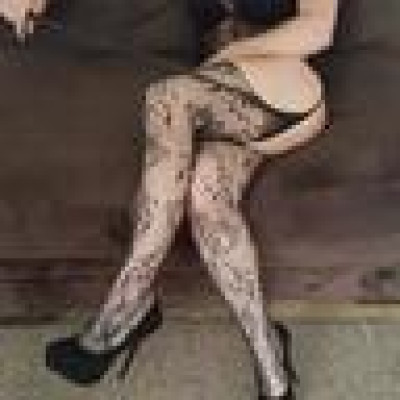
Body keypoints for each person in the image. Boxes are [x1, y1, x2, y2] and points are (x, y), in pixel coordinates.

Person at [45, 0, 338, 398]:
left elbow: (318, 29)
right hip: (219, 102)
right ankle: (271, 361)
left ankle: (123, 309)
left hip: (282, 89)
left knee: (166, 97)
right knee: (205, 195)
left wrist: (229, 57)